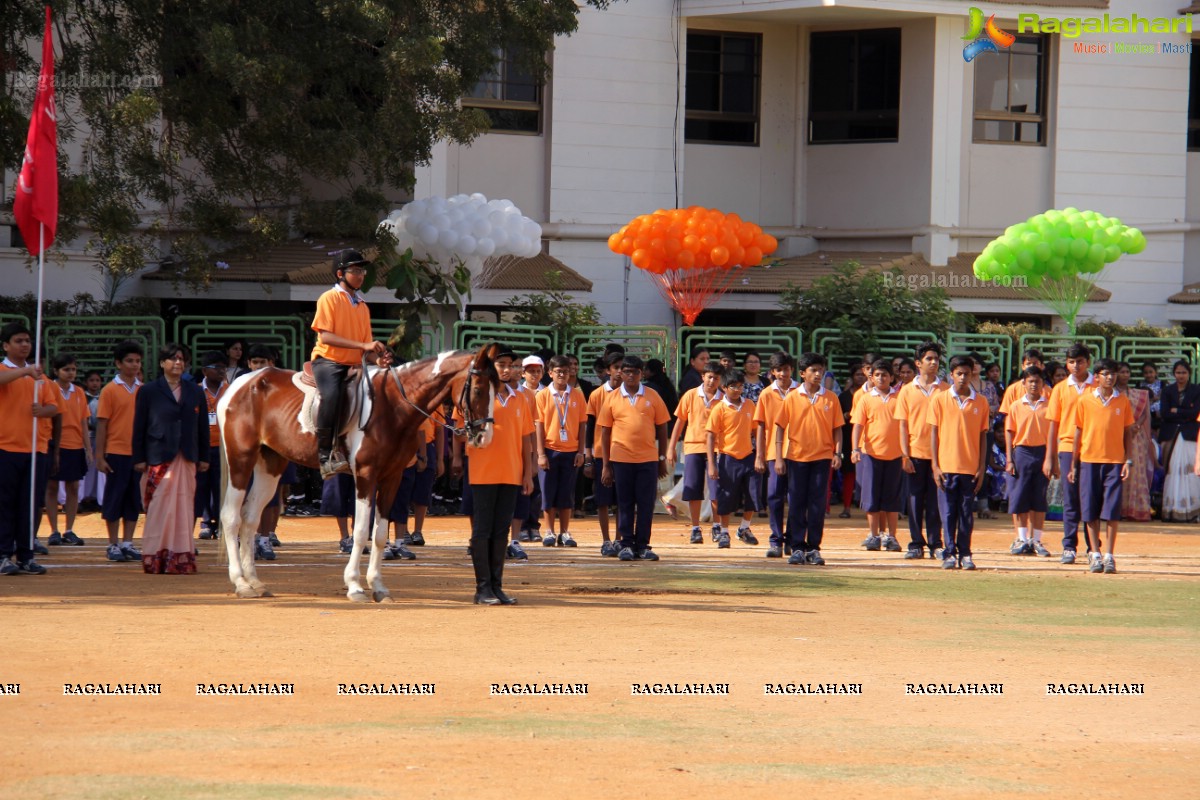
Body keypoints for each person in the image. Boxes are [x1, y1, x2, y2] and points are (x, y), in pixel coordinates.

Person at [132, 344, 209, 574]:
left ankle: (181, 558)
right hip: (157, 456)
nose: (178, 362)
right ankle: (155, 557)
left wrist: (203, 456)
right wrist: (139, 457)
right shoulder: (148, 391)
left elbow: (202, 426)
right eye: (173, 359)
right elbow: (139, 426)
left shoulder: (195, 391)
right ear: (162, 363)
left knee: (185, 507)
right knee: (158, 508)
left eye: (182, 359)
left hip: (186, 456)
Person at [466, 345, 534, 605]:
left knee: (501, 531)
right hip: (483, 472)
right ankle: (482, 588)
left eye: (510, 365)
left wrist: (527, 473)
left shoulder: (521, 398)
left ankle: (497, 586)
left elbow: (526, 439)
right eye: (501, 364)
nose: (507, 370)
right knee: (482, 530)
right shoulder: (480, 395)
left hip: (512, 472)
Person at [310, 249, 387, 478]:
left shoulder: (363, 306)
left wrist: (379, 359)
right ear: (340, 273)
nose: (361, 275)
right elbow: (326, 336)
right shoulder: (329, 298)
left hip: (355, 365)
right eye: (355, 270)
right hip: (329, 361)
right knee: (332, 396)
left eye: (362, 270)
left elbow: (366, 347)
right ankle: (325, 456)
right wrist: (364, 347)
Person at [599, 355, 671, 561]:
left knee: (646, 503)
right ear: (620, 373)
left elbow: (662, 427)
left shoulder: (653, 396)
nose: (631, 375)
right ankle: (626, 544)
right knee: (625, 502)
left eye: (635, 372)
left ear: (642, 374)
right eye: (627, 371)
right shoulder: (611, 398)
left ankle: (643, 545)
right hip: (621, 459)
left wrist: (661, 457)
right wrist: (606, 465)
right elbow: (604, 433)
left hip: (647, 459)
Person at [774, 352, 843, 566]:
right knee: (796, 503)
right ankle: (796, 547)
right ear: (802, 374)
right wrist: (778, 458)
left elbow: (837, 429)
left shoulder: (830, 398)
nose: (818, 374)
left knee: (817, 504)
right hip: (796, 457)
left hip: (822, 458)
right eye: (813, 370)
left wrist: (838, 453)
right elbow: (779, 428)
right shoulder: (792, 397)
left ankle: (813, 547)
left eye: (820, 370)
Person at [0, 322, 56, 576]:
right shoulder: (8, 370)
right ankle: (3, 554)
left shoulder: (40, 378)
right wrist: (25, 373)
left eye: (27, 341)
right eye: (19, 341)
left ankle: (26, 555)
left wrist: (42, 411)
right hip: (6, 448)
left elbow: (53, 407)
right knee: (5, 504)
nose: (25, 345)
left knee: (30, 505)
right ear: (6, 345)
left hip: (35, 450)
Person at [1070, 359, 1134, 574]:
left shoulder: (1123, 401)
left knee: (1112, 511)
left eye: (1113, 374)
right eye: (1106, 374)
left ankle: (1109, 555)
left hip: (1114, 462)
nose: (1110, 377)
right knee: (1089, 510)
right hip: (1089, 460)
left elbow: (1128, 433)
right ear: (1096, 376)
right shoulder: (1085, 401)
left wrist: (1128, 461)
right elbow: (1078, 432)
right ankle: (1095, 554)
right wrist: (1074, 463)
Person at [929, 354, 990, 571]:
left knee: (966, 513)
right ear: (951, 375)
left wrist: (982, 467)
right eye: (959, 374)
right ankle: (949, 553)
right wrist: (935, 465)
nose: (963, 378)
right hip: (946, 467)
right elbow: (934, 434)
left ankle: (965, 553)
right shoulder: (939, 399)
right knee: (947, 513)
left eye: (967, 373)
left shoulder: (981, 402)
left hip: (970, 468)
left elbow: (984, 437)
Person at [894, 342, 947, 560]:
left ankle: (936, 543)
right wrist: (904, 455)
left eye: (936, 359)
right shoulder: (906, 391)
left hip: (940, 455)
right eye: (929, 359)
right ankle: (916, 543)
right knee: (914, 501)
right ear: (918, 363)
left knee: (935, 501)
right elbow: (902, 425)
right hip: (914, 453)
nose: (933, 362)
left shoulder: (945, 390)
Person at [1044, 342, 1094, 565]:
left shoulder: (1098, 385)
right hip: (1066, 447)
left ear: (1088, 363)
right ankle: (1069, 546)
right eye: (1071, 362)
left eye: (1080, 361)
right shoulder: (1060, 389)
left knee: (1091, 498)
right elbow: (1053, 424)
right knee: (1070, 498)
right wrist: (1050, 457)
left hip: (1093, 449)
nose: (1076, 366)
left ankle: (1093, 547)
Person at [96, 340, 145, 563]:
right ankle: (113, 543)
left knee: (133, 498)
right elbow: (103, 424)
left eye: (137, 361)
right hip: (115, 452)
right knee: (114, 497)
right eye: (129, 361)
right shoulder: (109, 390)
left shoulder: (143, 390)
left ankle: (128, 542)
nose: (134, 365)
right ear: (118, 363)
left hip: (136, 454)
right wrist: (99, 455)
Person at [534, 354, 587, 546]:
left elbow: (582, 425)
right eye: (558, 371)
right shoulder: (542, 396)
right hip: (549, 450)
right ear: (550, 373)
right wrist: (540, 454)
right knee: (548, 492)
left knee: (566, 493)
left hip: (571, 451)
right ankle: (549, 531)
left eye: (565, 371)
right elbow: (538, 426)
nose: (562, 375)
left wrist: (581, 451)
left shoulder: (578, 395)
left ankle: (565, 532)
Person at [668, 363, 724, 544]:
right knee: (693, 488)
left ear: (720, 380)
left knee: (716, 490)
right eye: (709, 376)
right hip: (693, 447)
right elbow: (680, 422)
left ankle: (716, 526)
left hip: (716, 449)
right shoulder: (690, 395)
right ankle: (695, 528)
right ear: (702, 377)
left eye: (716, 378)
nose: (712, 381)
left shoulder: (723, 399)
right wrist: (671, 447)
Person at [998, 349, 1048, 550]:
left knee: (1039, 497)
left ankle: (1036, 540)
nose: (1034, 384)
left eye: (1037, 380)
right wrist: (1009, 459)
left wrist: (1052, 457)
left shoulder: (1050, 402)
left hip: (1042, 451)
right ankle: (1021, 538)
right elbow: (1009, 430)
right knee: (1019, 496)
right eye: (1030, 381)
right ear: (1024, 383)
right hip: (1022, 452)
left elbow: (1055, 431)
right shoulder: (1016, 403)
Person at [852, 359, 904, 554]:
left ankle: (891, 536)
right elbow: (858, 425)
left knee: (891, 499)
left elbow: (905, 426)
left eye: (885, 375)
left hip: (895, 455)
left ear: (892, 377)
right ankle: (873, 535)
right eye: (878, 375)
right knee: (871, 497)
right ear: (871, 377)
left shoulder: (899, 398)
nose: (881, 378)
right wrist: (855, 449)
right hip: (870, 454)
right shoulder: (865, 399)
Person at [705, 370, 759, 547]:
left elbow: (756, 430)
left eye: (740, 386)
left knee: (754, 493)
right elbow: (711, 436)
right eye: (733, 386)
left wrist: (759, 455)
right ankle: (725, 532)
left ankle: (744, 527)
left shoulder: (750, 405)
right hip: (728, 457)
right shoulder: (719, 408)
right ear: (724, 388)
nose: (737, 390)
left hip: (748, 456)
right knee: (726, 496)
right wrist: (712, 464)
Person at [44, 353, 89, 547]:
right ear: (56, 371)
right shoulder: (49, 388)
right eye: (66, 369)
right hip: (54, 443)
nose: (71, 373)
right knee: (51, 487)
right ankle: (53, 530)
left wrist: (87, 447)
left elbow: (84, 421)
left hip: (75, 444)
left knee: (73, 488)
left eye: (73, 369)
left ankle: (69, 529)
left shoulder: (79, 392)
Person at [754, 352, 796, 557]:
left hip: (799, 452)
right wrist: (759, 455)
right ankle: (776, 540)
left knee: (796, 498)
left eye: (786, 369)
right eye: (779, 370)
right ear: (772, 372)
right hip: (773, 451)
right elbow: (760, 425)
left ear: (792, 370)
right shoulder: (766, 394)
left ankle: (793, 539)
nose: (783, 373)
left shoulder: (800, 391)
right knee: (774, 496)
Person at [585, 352, 624, 555]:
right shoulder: (597, 394)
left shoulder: (629, 394)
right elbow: (590, 426)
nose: (619, 372)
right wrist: (588, 455)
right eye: (615, 367)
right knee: (603, 499)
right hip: (601, 454)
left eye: (622, 367)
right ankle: (606, 540)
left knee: (621, 500)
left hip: (624, 454)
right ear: (607, 370)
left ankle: (619, 538)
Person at [1157, 359, 1200, 522]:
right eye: (1178, 372)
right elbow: (1165, 413)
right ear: (1174, 374)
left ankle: (1192, 511)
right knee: (1173, 470)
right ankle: (1172, 510)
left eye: (1183, 372)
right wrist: (1184, 412)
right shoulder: (1168, 391)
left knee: (1190, 472)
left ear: (1189, 374)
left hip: (1190, 435)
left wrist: (1178, 411)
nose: (1180, 376)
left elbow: (1195, 413)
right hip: (1171, 435)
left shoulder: (1196, 390)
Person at [1117, 362, 1154, 522]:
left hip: (1135, 436)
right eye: (1121, 372)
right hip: (1116, 436)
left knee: (1135, 470)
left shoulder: (1138, 394)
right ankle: (1116, 509)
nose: (1125, 375)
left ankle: (1134, 508)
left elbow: (1145, 413)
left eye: (1127, 372)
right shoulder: (1111, 395)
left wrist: (1137, 425)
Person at [195, 351, 226, 540]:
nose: (222, 371)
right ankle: (206, 522)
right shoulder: (196, 390)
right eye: (217, 368)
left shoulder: (231, 389)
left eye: (224, 368)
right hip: (202, 447)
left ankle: (222, 523)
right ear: (205, 370)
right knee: (202, 486)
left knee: (221, 486)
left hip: (224, 447)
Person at [837, 362, 865, 520]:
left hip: (866, 440)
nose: (860, 377)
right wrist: (846, 416)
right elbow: (837, 419)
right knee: (848, 474)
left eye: (862, 374)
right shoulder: (844, 396)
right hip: (848, 438)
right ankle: (846, 507)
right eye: (857, 374)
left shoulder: (869, 394)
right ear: (852, 377)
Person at [80, 368, 105, 509]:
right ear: (86, 382)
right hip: (87, 437)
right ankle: (84, 496)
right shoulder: (83, 397)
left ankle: (97, 496)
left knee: (98, 469)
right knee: (87, 468)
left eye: (97, 380)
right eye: (91, 380)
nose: (95, 383)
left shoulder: (104, 397)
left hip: (100, 437)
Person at [1139, 360, 1162, 433]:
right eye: (1146, 373)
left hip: (1159, 414)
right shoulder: (1140, 385)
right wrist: (1152, 399)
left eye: (1151, 372)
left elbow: (1163, 396)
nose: (1149, 375)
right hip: (1145, 414)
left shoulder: (1161, 383)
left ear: (1156, 372)